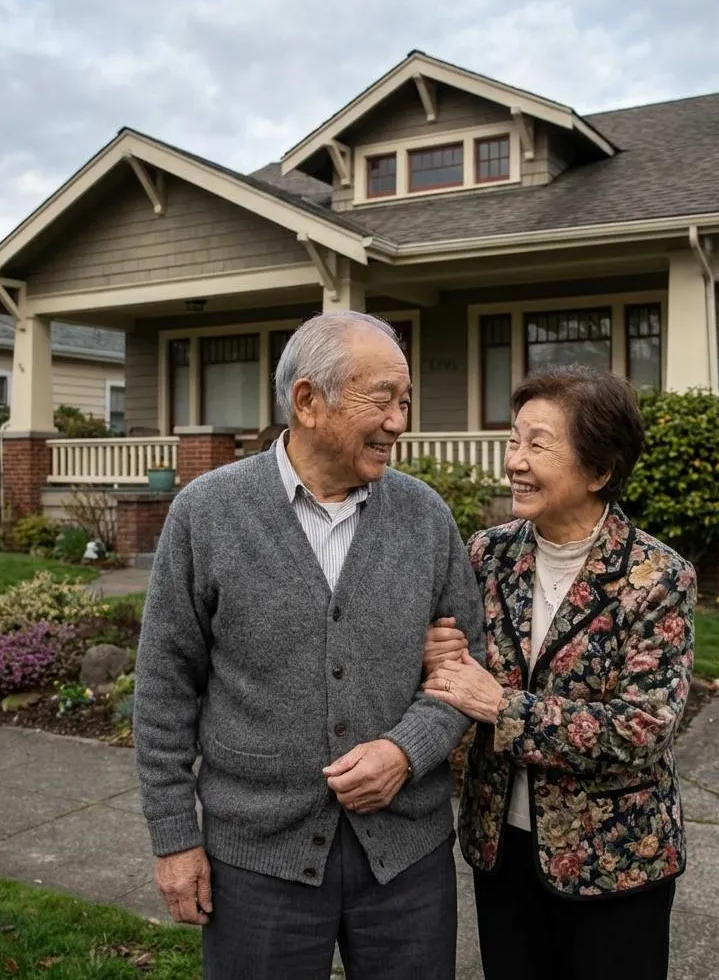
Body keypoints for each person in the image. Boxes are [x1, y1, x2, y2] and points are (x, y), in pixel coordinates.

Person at [133, 310, 484, 980]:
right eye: (382, 398)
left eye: (405, 401)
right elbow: (163, 689)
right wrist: (176, 839)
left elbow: (468, 667)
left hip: (406, 863)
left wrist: (406, 752)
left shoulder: (426, 517)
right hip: (256, 862)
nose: (399, 422)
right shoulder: (205, 515)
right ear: (307, 401)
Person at [422, 366, 696, 980]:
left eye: (538, 444)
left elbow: (642, 729)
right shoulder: (488, 554)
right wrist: (438, 654)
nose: (515, 460)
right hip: (501, 849)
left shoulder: (655, 577)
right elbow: (457, 664)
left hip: (615, 860)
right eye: (514, 440)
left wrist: (503, 708)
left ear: (600, 470)